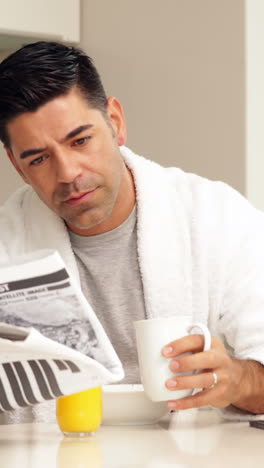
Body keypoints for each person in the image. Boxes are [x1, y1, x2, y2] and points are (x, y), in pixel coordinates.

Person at [0, 41, 264, 424]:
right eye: (38, 158)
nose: (68, 173)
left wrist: (239, 381)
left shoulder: (218, 217)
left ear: (116, 122)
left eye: (80, 140)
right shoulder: (6, 244)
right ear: (18, 166)